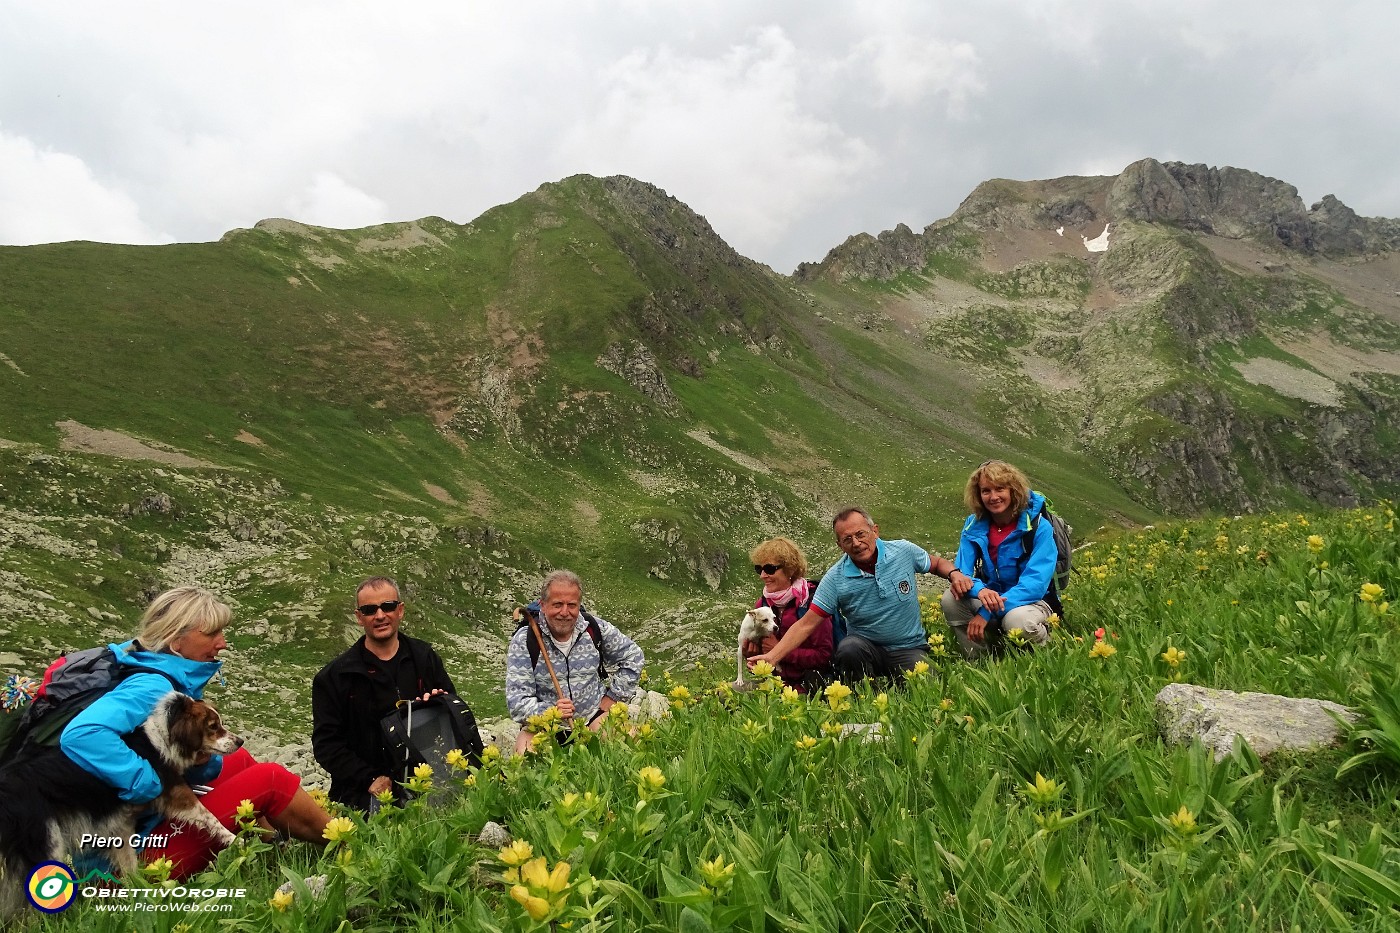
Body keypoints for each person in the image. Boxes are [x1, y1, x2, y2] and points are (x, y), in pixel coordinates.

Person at [61, 586, 331, 879]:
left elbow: (176, 762)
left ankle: (273, 857)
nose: (222, 643)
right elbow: (81, 734)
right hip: (126, 861)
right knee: (271, 780)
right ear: (177, 640)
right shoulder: (151, 686)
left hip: (145, 827)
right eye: (212, 633)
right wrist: (151, 782)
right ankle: (347, 842)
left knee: (237, 761)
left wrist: (199, 760)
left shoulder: (162, 673)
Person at [750, 508, 956, 681]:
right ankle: (865, 696)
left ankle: (897, 684)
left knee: (928, 686)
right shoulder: (836, 578)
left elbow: (936, 563)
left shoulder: (903, 551)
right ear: (840, 546)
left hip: (908, 648)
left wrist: (955, 575)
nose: (856, 543)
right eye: (847, 539)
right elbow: (807, 624)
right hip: (866, 649)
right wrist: (772, 657)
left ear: (874, 531)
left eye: (860, 534)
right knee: (849, 648)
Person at [312, 576, 456, 810]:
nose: (380, 616)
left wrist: (440, 704)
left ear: (400, 611)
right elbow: (326, 745)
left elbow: (453, 717)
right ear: (359, 617)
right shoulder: (333, 678)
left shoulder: (425, 657)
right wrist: (369, 779)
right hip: (364, 789)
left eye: (387, 607)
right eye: (370, 610)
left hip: (426, 779)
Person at [506, 570, 644, 755]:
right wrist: (551, 711)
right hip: (545, 725)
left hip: (592, 716)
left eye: (572, 605)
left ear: (579, 605)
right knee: (526, 756)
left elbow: (633, 656)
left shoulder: (593, 628)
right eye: (557, 605)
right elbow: (516, 702)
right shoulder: (526, 640)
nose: (565, 612)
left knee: (631, 746)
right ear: (543, 605)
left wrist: (614, 697)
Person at [941, 460, 1054, 660]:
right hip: (991, 597)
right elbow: (961, 574)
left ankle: (1045, 651)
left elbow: (1035, 585)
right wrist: (981, 591)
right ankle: (978, 661)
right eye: (986, 491)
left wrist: (985, 613)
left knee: (1018, 621)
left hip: (1032, 602)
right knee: (951, 598)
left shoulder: (1039, 527)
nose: (993, 497)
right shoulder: (973, 526)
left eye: (1000, 489)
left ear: (1013, 490)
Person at [746, 537, 832, 691]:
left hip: (810, 685)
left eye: (770, 569)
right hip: (775, 684)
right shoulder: (762, 605)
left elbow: (824, 656)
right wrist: (751, 656)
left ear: (790, 570)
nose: (763, 575)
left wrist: (779, 651)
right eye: (759, 569)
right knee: (724, 695)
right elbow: (764, 654)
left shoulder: (812, 603)